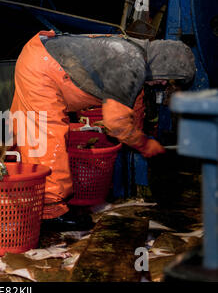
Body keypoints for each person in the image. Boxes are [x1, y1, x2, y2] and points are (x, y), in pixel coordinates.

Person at [10, 31, 196, 231]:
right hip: (42, 68)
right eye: (167, 78)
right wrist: (144, 144)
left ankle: (18, 193)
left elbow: (133, 107)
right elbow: (116, 123)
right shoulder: (131, 62)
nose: (164, 84)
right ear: (163, 66)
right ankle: (50, 213)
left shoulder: (138, 61)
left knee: (27, 136)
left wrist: (139, 135)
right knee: (47, 140)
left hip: (46, 61)